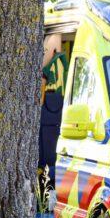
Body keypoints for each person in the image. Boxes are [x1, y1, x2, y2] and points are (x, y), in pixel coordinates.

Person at [39, 34, 67, 209]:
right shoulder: (62, 63)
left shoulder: (52, 64)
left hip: (48, 116)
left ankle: (47, 199)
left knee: (47, 159)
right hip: (54, 116)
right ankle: (48, 198)